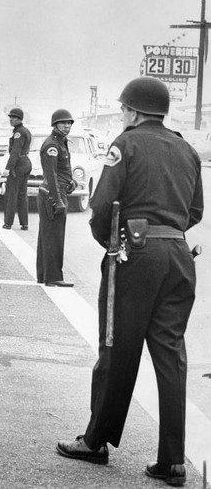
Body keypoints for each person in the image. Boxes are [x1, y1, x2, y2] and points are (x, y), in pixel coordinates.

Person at [56, 77, 204, 487]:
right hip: (178, 255)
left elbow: (101, 205)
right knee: (171, 355)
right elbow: (195, 212)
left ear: (135, 111)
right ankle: (172, 461)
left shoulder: (127, 144)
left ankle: (96, 441)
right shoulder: (188, 149)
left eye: (124, 109)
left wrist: (113, 244)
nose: (123, 115)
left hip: (135, 253)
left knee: (116, 346)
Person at [36, 109, 76, 288]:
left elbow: (62, 169)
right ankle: (53, 277)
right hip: (53, 194)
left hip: (56, 190)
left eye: (69, 123)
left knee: (47, 235)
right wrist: (58, 200)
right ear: (54, 124)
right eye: (63, 123)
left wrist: (71, 180)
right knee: (54, 237)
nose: (66, 126)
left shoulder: (61, 142)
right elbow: (51, 175)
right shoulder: (52, 145)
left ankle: (44, 275)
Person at [3, 107, 32, 230]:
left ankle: (8, 223)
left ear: (19, 119)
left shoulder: (18, 132)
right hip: (25, 162)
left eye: (14, 117)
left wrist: (8, 168)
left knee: (11, 194)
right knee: (22, 194)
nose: (11, 119)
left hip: (19, 164)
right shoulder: (25, 130)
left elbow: (15, 151)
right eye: (10, 117)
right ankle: (24, 223)